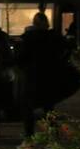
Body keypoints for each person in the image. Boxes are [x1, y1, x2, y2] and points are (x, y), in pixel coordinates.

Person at [16, 8, 68, 137]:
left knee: (28, 107)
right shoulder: (53, 37)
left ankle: (29, 135)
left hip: (31, 77)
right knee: (48, 106)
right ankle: (52, 132)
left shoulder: (28, 38)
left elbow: (20, 57)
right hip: (48, 76)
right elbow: (66, 50)